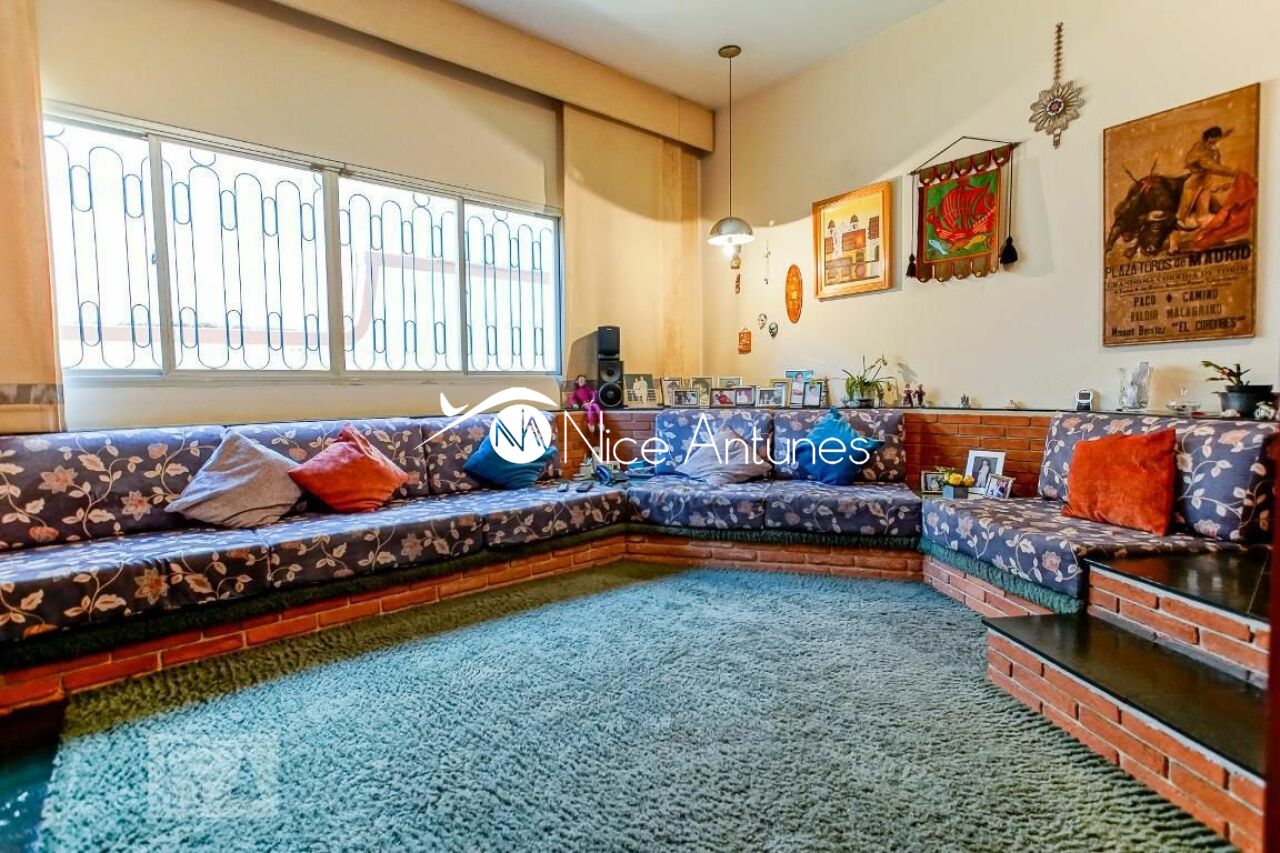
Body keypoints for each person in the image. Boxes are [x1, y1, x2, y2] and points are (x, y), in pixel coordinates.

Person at [1177, 126, 1237, 230]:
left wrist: (1226, 133)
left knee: (1203, 208)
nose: (1214, 144)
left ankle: (1202, 227)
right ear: (1206, 139)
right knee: (1185, 208)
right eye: (1211, 142)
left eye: (1215, 142)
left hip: (1206, 180)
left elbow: (1218, 137)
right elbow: (1211, 166)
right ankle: (1178, 230)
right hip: (1194, 181)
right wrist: (1234, 173)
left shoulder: (1211, 147)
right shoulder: (1200, 150)